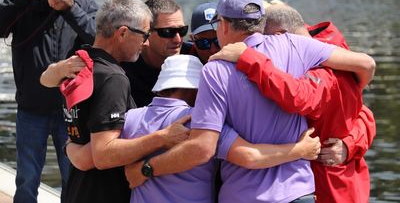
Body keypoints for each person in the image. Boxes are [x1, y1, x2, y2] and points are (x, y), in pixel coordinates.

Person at [122, 0, 375, 203]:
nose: (212, 46)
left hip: (245, 195)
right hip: (299, 192)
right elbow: (366, 64)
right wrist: (357, 89)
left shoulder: (215, 70)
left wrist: (146, 169)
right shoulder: (296, 45)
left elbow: (202, 149)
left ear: (222, 25)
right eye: (203, 42)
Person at [209, 2, 376, 203]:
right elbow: (362, 113)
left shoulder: (322, 72)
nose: (265, 48)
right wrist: (351, 144)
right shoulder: (339, 56)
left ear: (280, 36)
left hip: (330, 186)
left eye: (265, 41)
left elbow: (299, 97)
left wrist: (250, 58)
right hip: (349, 182)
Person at [40, 0, 189, 203]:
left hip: (79, 188)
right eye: (144, 35)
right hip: (105, 192)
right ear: (122, 33)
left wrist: (71, 146)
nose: (144, 43)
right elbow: (103, 154)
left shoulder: (85, 64)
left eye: (182, 31)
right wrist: (163, 137)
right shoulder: (114, 77)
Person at [123, 54, 321, 203]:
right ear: (196, 88)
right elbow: (250, 156)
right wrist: (300, 150)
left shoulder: (131, 118)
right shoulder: (200, 122)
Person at [0, 0, 97, 202]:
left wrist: (70, 9)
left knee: (73, 178)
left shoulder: (83, 7)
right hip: (31, 109)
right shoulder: (24, 6)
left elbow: (100, 40)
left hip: (72, 112)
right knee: (27, 179)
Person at [121, 0, 190, 107]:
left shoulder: (193, 56)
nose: (178, 39)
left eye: (182, 30)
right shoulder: (124, 66)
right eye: (167, 32)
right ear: (146, 33)